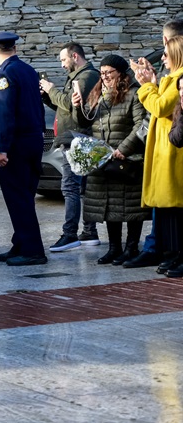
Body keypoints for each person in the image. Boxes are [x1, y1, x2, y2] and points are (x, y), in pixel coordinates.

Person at [71, 55, 151, 265]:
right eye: (103, 72)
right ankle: (114, 248)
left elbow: (141, 124)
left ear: (121, 73)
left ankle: (131, 247)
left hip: (126, 159)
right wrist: (78, 106)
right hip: (102, 160)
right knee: (108, 206)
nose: (105, 77)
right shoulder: (98, 95)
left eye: (109, 73)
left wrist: (124, 148)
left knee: (131, 206)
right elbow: (84, 123)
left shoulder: (133, 94)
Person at [127, 19, 183, 268]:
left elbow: (161, 107)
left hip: (172, 148)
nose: (162, 58)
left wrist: (146, 85)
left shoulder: (180, 75)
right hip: (163, 147)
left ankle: (171, 252)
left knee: (173, 207)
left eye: (165, 53)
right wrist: (153, 81)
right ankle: (162, 249)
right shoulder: (172, 76)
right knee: (164, 207)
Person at [0, 32, 47, 267]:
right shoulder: (28, 70)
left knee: (18, 198)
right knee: (25, 196)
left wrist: (2, 147)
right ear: (14, 47)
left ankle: (33, 250)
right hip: (33, 140)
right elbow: (38, 107)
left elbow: (5, 112)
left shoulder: (5, 73)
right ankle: (21, 243)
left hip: (15, 144)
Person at [39, 42, 101, 253]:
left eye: (64, 60)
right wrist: (47, 96)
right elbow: (64, 107)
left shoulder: (87, 77)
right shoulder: (76, 77)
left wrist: (52, 89)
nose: (63, 65)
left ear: (75, 56)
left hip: (77, 139)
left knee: (70, 187)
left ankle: (70, 234)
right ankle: (89, 233)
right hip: (72, 138)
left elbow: (70, 104)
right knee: (81, 187)